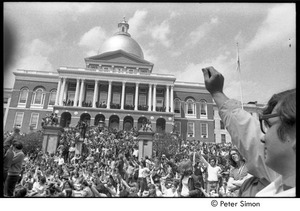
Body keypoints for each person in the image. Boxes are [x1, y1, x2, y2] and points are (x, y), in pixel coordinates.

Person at [201, 66, 296, 196]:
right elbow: (250, 136)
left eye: (269, 126)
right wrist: (217, 93)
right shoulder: (275, 183)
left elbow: (251, 137)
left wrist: (217, 93)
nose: (263, 137)